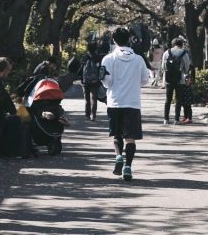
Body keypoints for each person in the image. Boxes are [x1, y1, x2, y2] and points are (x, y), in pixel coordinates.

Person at [101, 26, 150, 181]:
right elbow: (145, 80)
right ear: (129, 39)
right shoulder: (138, 59)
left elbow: (106, 82)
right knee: (130, 137)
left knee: (117, 134)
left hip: (114, 102)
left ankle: (118, 158)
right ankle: (128, 166)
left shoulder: (108, 59)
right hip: (132, 102)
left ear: (114, 40)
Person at [162, 37, 193, 124]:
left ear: (173, 44)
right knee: (178, 100)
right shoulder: (184, 54)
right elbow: (187, 68)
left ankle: (166, 119)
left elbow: (163, 67)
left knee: (168, 99)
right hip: (180, 80)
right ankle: (176, 119)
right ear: (181, 44)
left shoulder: (166, 53)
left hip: (168, 79)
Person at [80, 43, 104, 121]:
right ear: (96, 49)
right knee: (94, 99)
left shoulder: (84, 57)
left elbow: (80, 69)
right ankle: (93, 115)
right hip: (95, 81)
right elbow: (101, 69)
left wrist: (81, 79)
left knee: (87, 99)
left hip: (85, 81)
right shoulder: (98, 57)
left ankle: (87, 114)